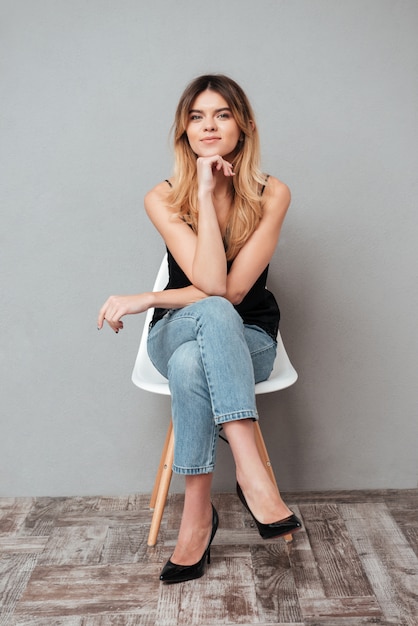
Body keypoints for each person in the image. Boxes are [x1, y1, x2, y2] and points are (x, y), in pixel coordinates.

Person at [97, 74, 301, 584]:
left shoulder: (272, 193)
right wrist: (205, 193)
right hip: (175, 330)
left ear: (245, 126)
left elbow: (229, 294)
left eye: (222, 114)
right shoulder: (163, 197)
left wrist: (147, 296)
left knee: (199, 352)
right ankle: (251, 476)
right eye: (196, 116)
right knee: (202, 323)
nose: (208, 126)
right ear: (183, 130)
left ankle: (195, 522)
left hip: (249, 339)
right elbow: (210, 287)